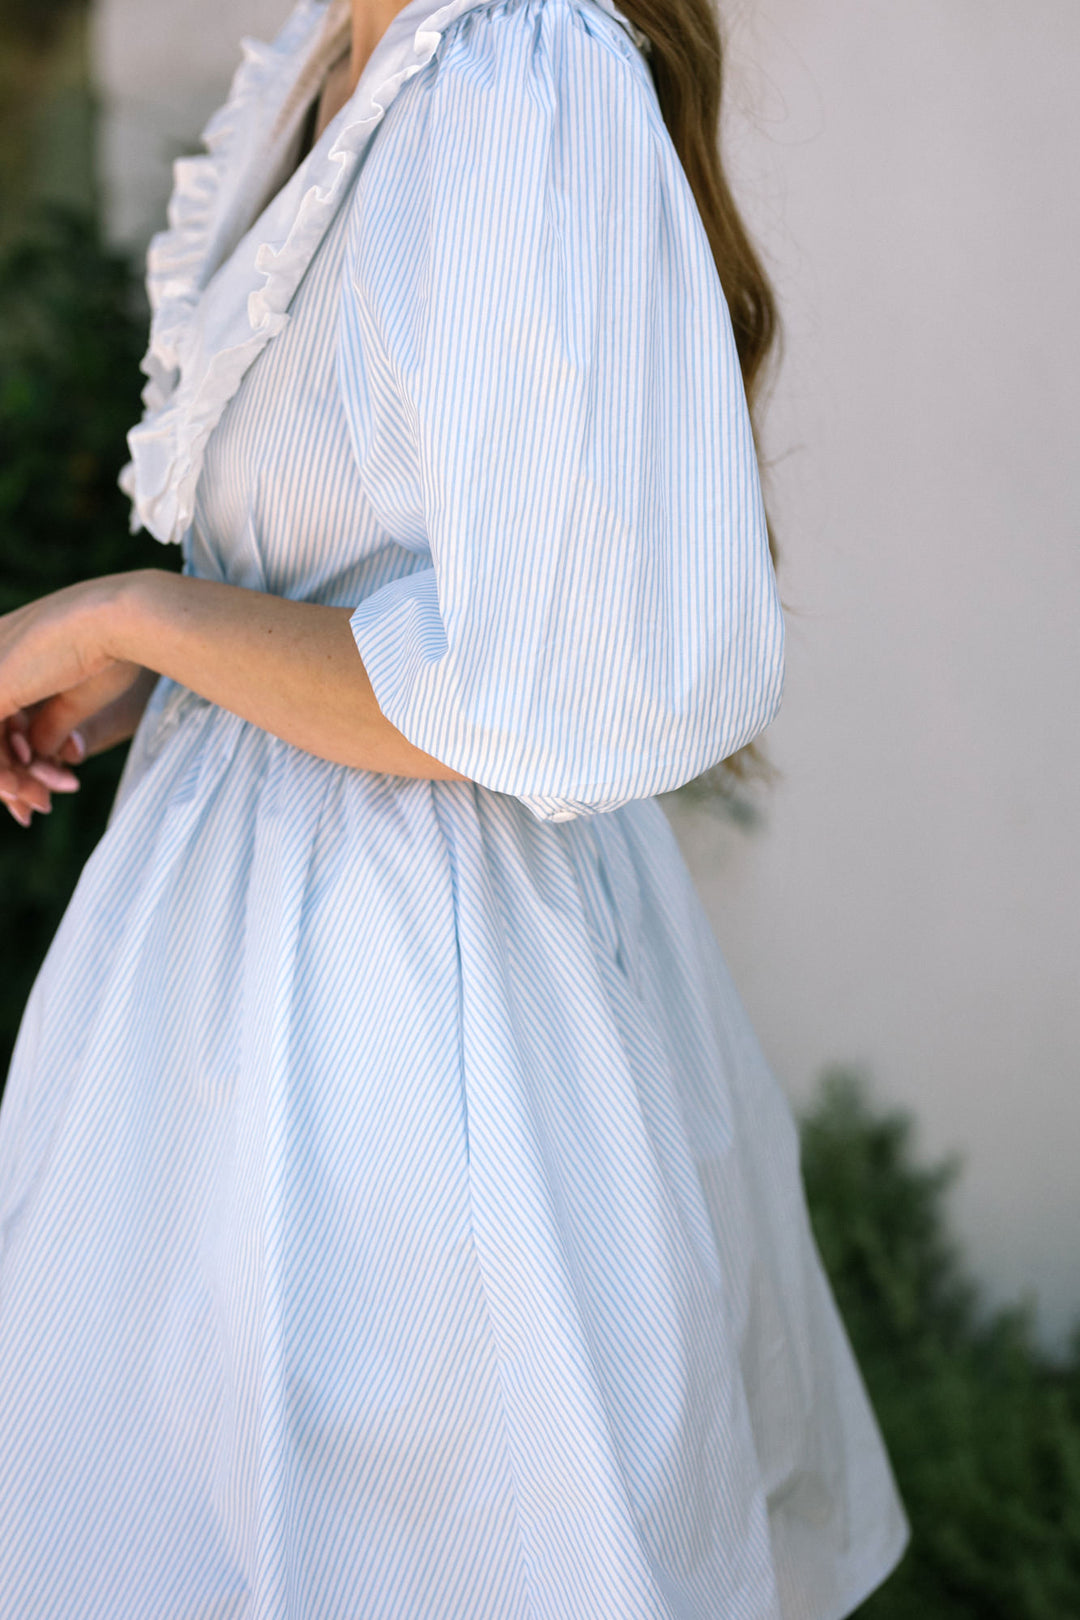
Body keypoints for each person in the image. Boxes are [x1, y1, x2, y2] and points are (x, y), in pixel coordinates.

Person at [0, 0, 909, 1613]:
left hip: (414, 988)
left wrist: (127, 617)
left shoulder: (516, 72)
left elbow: (534, 683)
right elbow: (366, 566)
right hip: (222, 955)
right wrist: (179, 668)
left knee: (422, 1516)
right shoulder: (327, 57)